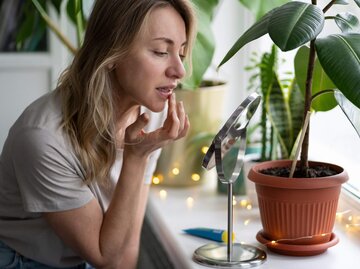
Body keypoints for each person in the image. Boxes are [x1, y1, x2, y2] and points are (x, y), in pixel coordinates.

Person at [0, 0, 196, 268]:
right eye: (161, 51)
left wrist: (140, 154)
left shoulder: (151, 114)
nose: (180, 71)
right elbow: (110, 260)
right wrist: (136, 158)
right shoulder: (43, 138)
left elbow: (125, 257)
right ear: (113, 53)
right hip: (23, 261)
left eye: (181, 53)